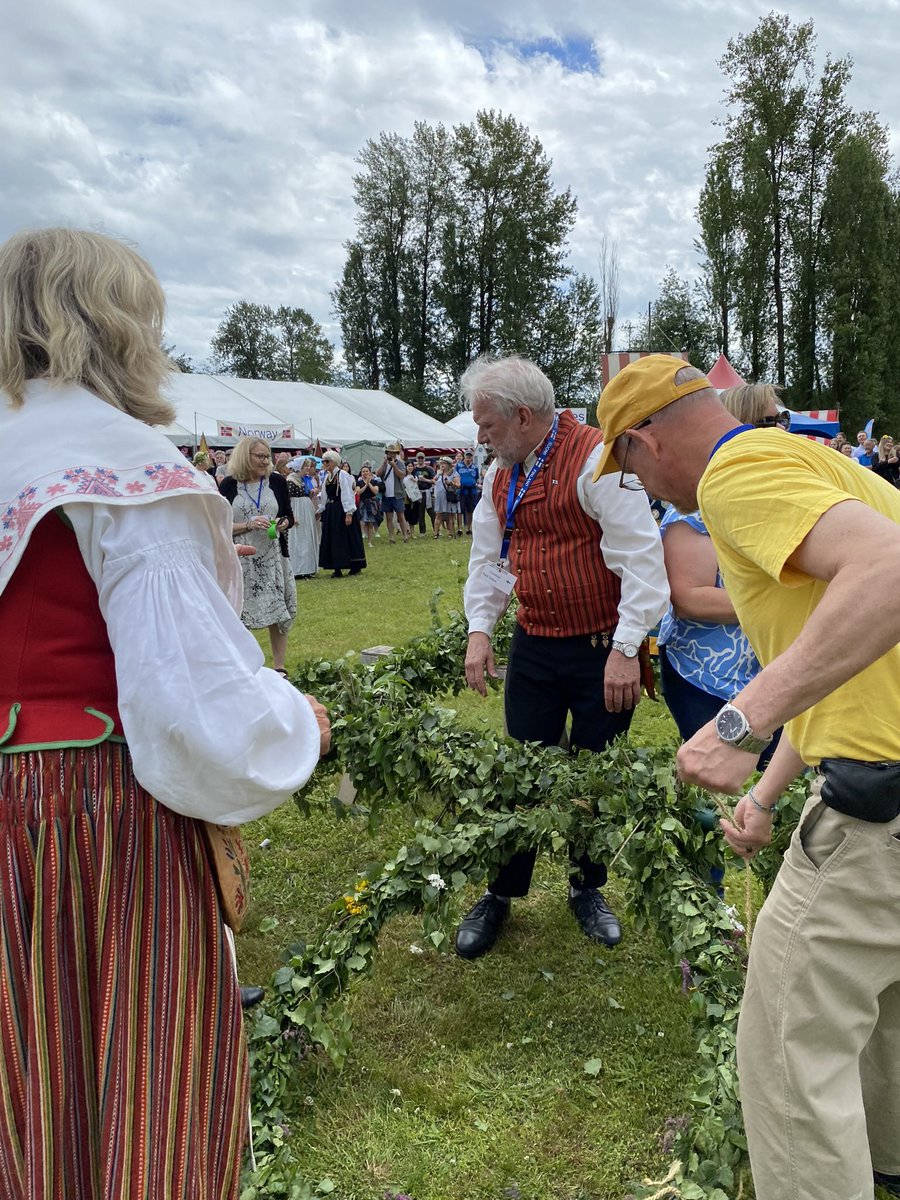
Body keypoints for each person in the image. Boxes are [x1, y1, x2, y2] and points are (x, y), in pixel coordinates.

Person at [0, 226, 331, 1200]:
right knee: (150, 1095)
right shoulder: (122, 470)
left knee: (30, 1093)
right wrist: (297, 725)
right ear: (118, 327)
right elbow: (190, 716)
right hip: (100, 813)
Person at [594, 352, 900, 1200]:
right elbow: (843, 653)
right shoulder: (809, 461)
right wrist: (766, 795)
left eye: (623, 464)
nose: (637, 487)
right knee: (883, 1005)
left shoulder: (737, 476)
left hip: (881, 809)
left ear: (647, 442)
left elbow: (892, 575)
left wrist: (739, 724)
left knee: (785, 1042)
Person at [458, 354, 669, 960]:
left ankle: (587, 887)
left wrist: (628, 650)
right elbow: (489, 558)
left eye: (487, 425)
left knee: (595, 774)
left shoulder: (597, 460)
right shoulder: (503, 474)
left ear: (524, 417)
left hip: (602, 647)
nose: (480, 436)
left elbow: (641, 561)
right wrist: (480, 630)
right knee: (522, 770)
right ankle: (500, 893)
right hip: (535, 644)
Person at [220, 438, 296, 677]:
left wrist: (282, 524)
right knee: (241, 610)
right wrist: (248, 524)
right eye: (260, 456)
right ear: (245, 456)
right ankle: (245, 665)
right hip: (241, 557)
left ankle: (280, 667)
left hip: (272, 556)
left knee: (278, 607)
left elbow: (288, 517)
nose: (266, 461)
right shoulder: (229, 485)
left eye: (267, 456)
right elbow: (219, 525)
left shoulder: (276, 481)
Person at [319, 449, 366, 578]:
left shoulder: (342, 475)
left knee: (347, 537)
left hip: (342, 509)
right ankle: (337, 566)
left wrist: (349, 512)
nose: (325, 463)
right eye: (324, 461)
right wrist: (321, 509)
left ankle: (354, 565)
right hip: (332, 510)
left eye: (327, 461)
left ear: (334, 462)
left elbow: (347, 493)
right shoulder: (327, 477)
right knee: (334, 538)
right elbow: (324, 494)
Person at [286, 456, 320, 579]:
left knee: (307, 536)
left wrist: (311, 493)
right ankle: (298, 569)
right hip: (297, 510)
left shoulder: (303, 480)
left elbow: (306, 495)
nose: (308, 468)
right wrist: (291, 515)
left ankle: (308, 568)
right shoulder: (291, 480)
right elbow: (288, 499)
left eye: (309, 466)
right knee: (298, 538)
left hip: (306, 510)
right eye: (306, 466)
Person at [376, 442, 411, 543]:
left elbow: (402, 475)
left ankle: (405, 536)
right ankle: (391, 537)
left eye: (393, 453)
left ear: (396, 454)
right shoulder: (384, 463)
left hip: (397, 494)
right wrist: (384, 463)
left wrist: (394, 465)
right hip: (386, 495)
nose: (391, 455)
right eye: (389, 453)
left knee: (401, 515)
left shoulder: (400, 463)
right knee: (389, 517)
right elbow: (377, 473)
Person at [432, 456, 461, 539]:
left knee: (450, 516)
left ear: (448, 464)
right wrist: (435, 482)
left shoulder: (454, 474)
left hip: (449, 497)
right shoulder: (439, 473)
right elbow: (433, 480)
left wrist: (451, 483)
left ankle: (450, 533)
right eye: (441, 463)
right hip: (439, 497)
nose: (441, 465)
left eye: (443, 463)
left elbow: (458, 485)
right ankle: (436, 533)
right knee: (438, 515)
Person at [355, 463, 382, 547]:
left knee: (370, 522)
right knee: (363, 521)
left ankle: (370, 541)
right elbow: (358, 492)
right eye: (363, 471)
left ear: (370, 472)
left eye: (367, 471)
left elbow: (375, 491)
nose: (365, 473)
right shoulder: (358, 482)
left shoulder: (375, 481)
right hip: (363, 503)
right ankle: (364, 536)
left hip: (372, 504)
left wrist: (369, 483)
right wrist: (365, 485)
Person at [456, 447, 481, 535]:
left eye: (470, 456)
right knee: (460, 510)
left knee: (470, 510)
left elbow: (477, 478)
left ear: (472, 457)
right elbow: (455, 477)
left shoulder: (475, 467)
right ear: (464, 456)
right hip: (462, 491)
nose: (468, 458)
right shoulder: (458, 465)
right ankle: (459, 528)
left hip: (472, 491)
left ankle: (468, 528)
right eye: (467, 456)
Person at [410, 452, 435, 535]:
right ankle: (422, 532)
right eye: (419, 458)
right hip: (418, 493)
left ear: (424, 459)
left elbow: (434, 481)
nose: (420, 459)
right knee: (420, 513)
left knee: (432, 512)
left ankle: (435, 529)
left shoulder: (429, 469)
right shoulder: (414, 470)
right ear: (416, 459)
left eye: (422, 458)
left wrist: (425, 480)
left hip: (428, 492)